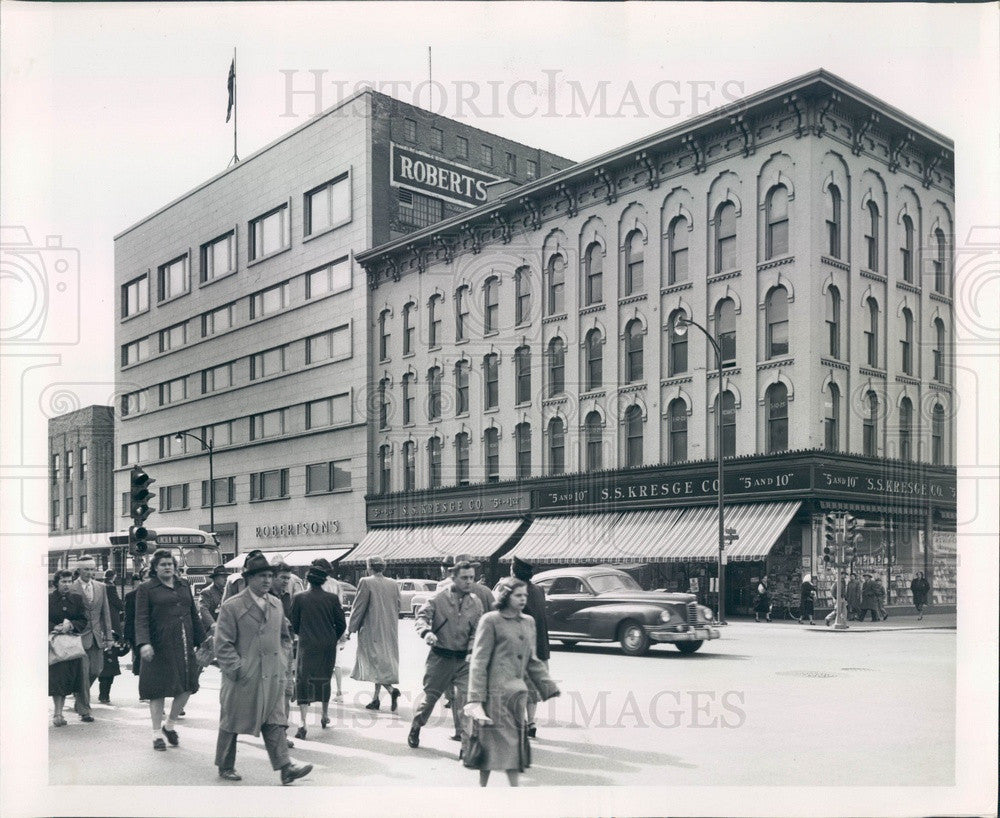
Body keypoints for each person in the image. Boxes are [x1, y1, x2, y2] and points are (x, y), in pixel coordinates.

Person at [213, 552, 312, 785]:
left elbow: (285, 637)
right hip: (242, 676)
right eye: (262, 576)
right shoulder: (232, 606)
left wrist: (284, 660)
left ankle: (285, 768)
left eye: (270, 576)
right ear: (249, 578)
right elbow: (223, 643)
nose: (268, 580)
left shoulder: (276, 603)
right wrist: (237, 669)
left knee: (275, 720)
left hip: (272, 674)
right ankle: (225, 765)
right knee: (232, 720)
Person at [464, 577, 560, 787]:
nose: (523, 599)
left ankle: (512, 794)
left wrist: (547, 686)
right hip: (494, 697)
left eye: (525, 595)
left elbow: (532, 661)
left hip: (517, 697)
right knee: (489, 750)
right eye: (518, 595)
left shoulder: (528, 622)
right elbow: (479, 662)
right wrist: (476, 700)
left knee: (514, 751)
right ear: (506, 596)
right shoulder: (490, 621)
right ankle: (483, 791)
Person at [407, 560, 484, 750]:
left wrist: (471, 649)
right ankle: (416, 726)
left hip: (463, 661)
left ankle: (465, 747)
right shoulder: (439, 598)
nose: (469, 582)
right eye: (464, 578)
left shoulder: (475, 602)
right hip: (440, 658)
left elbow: (477, 629)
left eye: (472, 578)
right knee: (429, 699)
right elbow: (422, 617)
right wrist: (427, 632)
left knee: (466, 703)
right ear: (453, 578)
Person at [135, 548, 205, 751]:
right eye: (163, 564)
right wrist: (144, 643)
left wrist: (202, 640)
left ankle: (170, 725)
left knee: (188, 686)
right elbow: (141, 618)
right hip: (158, 645)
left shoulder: (183, 585)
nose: (167, 567)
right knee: (157, 690)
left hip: (184, 643)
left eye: (170, 564)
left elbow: (193, 612)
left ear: (175, 567)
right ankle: (157, 734)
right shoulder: (146, 589)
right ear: (155, 568)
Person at [289, 559, 347, 739]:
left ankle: (303, 722)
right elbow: (341, 624)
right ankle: (324, 715)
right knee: (324, 677)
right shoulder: (331, 599)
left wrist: (305, 634)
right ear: (323, 581)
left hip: (307, 644)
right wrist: (332, 637)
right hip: (327, 644)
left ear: (308, 580)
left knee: (303, 679)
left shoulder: (299, 598)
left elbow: (294, 624)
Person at [346, 555, 402, 711]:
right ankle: (376, 699)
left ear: (369, 567)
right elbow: (398, 606)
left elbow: (358, 607)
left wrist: (351, 629)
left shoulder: (365, 582)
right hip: (389, 629)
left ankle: (391, 690)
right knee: (381, 661)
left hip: (371, 628)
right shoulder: (393, 583)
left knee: (374, 661)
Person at [511, 557, 550, 738]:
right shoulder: (539, 590)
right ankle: (532, 722)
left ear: (514, 572)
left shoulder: (515, 592)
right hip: (541, 647)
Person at [71, 556, 114, 720]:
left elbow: (106, 613)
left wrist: (109, 637)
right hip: (79, 636)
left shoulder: (101, 587)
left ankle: (79, 695)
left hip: (97, 637)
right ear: (79, 570)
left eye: (92, 569)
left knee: (96, 670)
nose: (90, 572)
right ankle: (84, 709)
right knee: (82, 673)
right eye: (86, 569)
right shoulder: (72, 588)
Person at [49, 570, 89, 727]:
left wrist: (71, 625)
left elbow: (83, 619)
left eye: (69, 581)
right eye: (63, 581)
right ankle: (58, 713)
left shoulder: (77, 599)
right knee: (57, 679)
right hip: (54, 644)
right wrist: (55, 627)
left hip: (71, 646)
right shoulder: (49, 599)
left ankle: (61, 712)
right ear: (56, 583)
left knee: (69, 678)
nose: (67, 584)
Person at [198, 566, 229, 633]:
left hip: (221, 628)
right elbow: (203, 609)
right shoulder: (206, 592)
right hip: (208, 629)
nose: (226, 579)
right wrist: (213, 624)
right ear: (215, 578)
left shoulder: (226, 591)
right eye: (223, 577)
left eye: (226, 577)